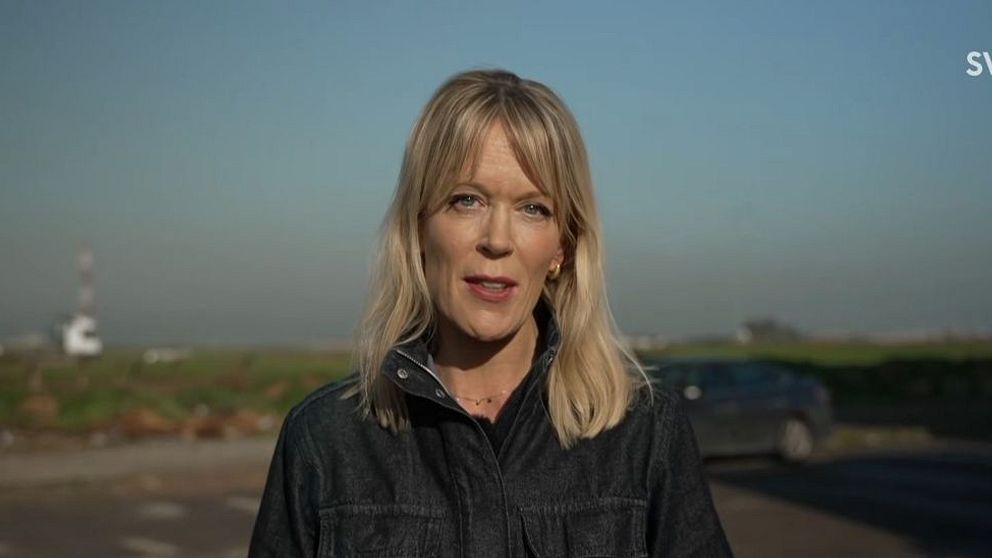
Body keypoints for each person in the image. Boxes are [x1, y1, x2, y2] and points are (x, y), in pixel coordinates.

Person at [248, 69, 733, 557]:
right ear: (418, 227)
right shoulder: (323, 441)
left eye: (533, 208)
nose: (497, 240)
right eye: (467, 200)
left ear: (562, 246)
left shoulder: (644, 434)